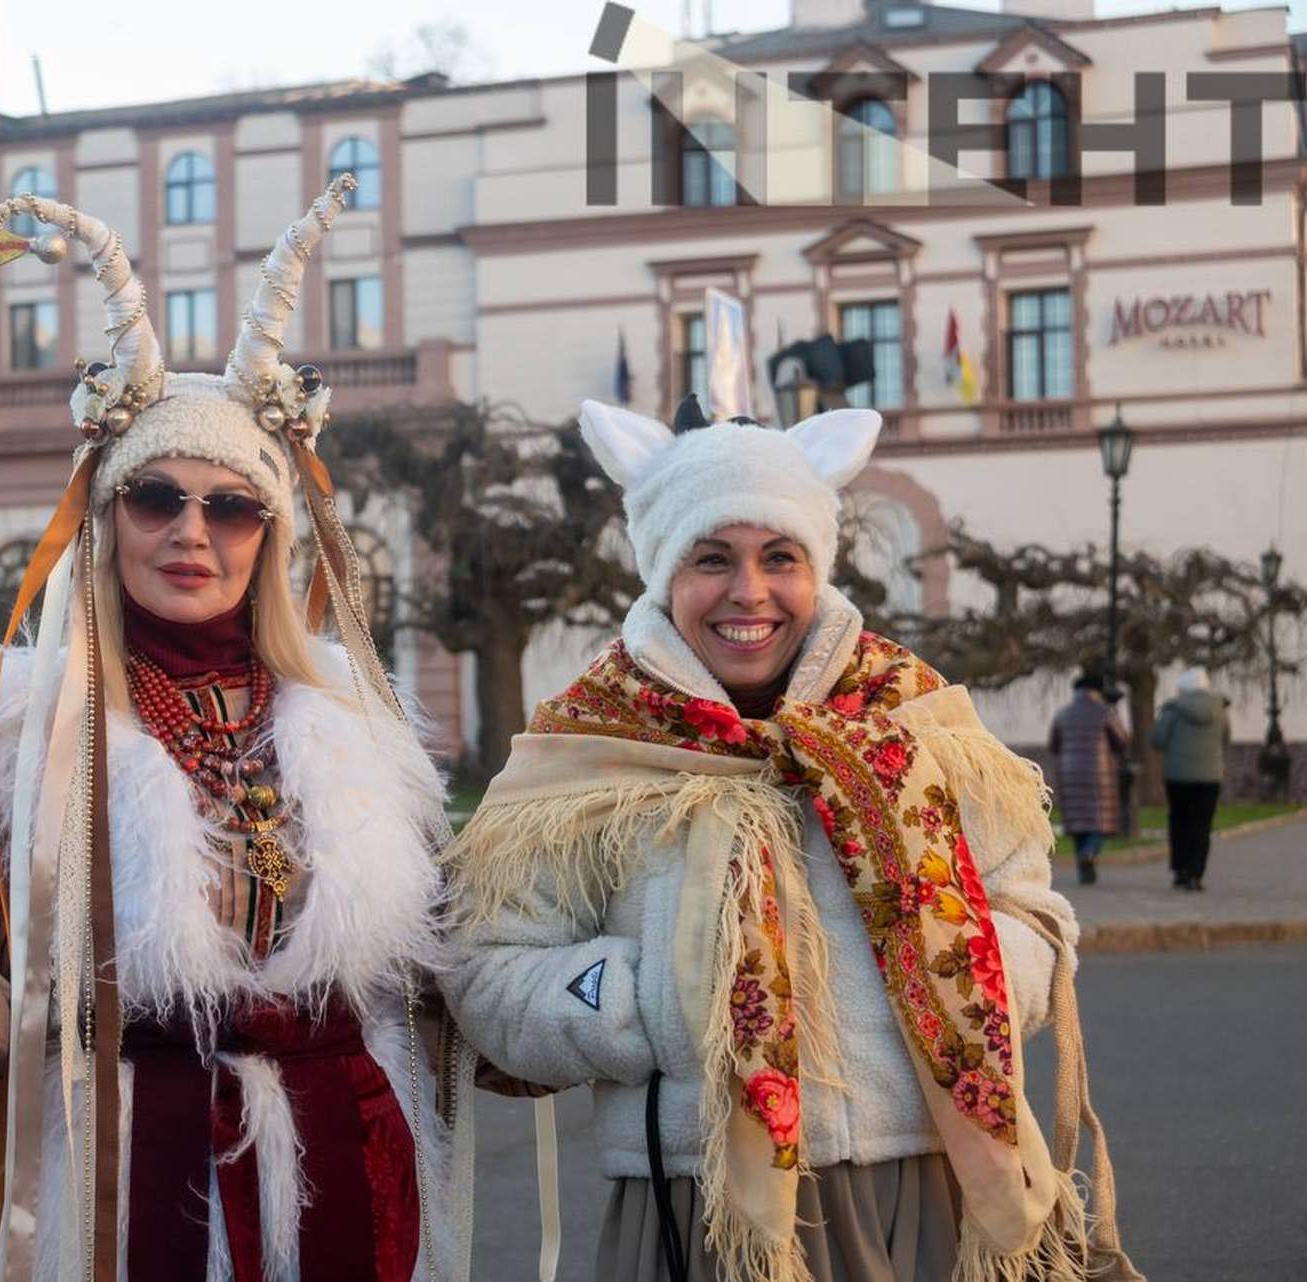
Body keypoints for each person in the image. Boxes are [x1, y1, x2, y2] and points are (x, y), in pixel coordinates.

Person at [0, 177, 463, 1281]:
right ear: (107, 516)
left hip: (349, 1170)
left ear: (270, 533)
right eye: (155, 496)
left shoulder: (358, 726)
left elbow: (452, 964)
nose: (190, 531)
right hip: (122, 1180)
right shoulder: (31, 731)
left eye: (231, 505)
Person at [441, 395, 1138, 1282]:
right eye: (711, 559)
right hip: (703, 1208)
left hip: (937, 1182)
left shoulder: (915, 718)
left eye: (779, 557)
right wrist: (657, 998)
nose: (748, 592)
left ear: (816, 565)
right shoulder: (587, 746)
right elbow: (487, 970)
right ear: (662, 572)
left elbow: (1030, 911)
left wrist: (969, 971)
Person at [1047, 667, 1130, 885]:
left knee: (1079, 822)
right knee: (1097, 822)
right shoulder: (1105, 712)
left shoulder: (1063, 714)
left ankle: (1085, 871)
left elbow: (1053, 744)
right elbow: (1122, 740)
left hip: (1069, 773)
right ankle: (1089, 853)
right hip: (1098, 775)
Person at [1153, 668, 1231, 891]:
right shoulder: (1220, 710)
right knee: (1202, 824)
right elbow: (1226, 739)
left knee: (1179, 822)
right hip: (1210, 776)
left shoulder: (1172, 710)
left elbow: (1158, 739)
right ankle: (1196, 873)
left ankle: (1180, 870)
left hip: (1177, 777)